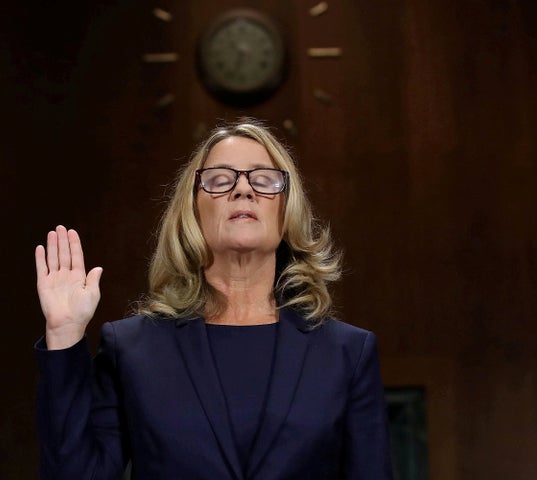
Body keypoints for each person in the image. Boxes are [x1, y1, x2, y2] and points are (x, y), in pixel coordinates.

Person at [34, 119, 392, 479]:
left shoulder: (347, 353)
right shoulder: (131, 348)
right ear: (193, 210)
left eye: (264, 180)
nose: (243, 190)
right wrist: (64, 335)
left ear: (286, 212)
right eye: (220, 180)